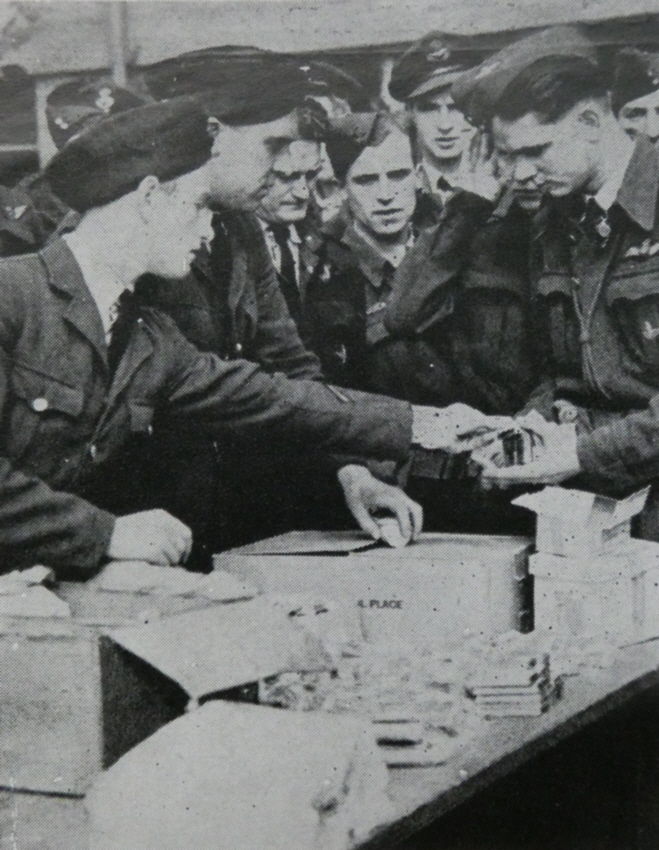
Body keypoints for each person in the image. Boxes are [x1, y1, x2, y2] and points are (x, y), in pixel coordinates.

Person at [2, 95, 498, 574]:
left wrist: (426, 425)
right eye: (198, 207)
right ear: (150, 196)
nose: (206, 231)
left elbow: (268, 397)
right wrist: (103, 534)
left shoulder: (149, 337)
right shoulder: (12, 298)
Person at [452, 25, 659, 540]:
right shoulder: (554, 220)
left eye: (534, 150)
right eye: (507, 155)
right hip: (602, 509)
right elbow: (566, 373)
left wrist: (577, 453)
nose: (518, 174)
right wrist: (525, 426)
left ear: (590, 120)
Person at [389, 32, 497, 213]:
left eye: (457, 108)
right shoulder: (393, 190)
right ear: (410, 112)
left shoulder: (508, 182)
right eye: (429, 109)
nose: (445, 125)